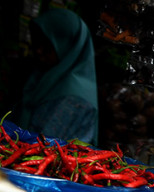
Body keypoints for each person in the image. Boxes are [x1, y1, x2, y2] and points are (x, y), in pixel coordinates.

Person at [14, 8, 99, 144]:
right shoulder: (46, 76)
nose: (39, 51)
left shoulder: (74, 97)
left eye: (48, 45)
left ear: (68, 44)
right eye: (36, 43)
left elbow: (45, 146)